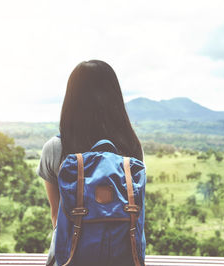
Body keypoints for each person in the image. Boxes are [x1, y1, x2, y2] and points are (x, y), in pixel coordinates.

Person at [37, 59, 143, 265]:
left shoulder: (54, 148)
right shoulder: (131, 148)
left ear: (71, 99)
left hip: (69, 258)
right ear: (115, 99)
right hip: (122, 258)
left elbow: (56, 217)